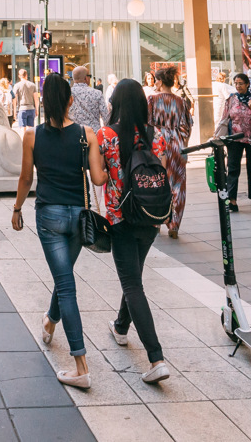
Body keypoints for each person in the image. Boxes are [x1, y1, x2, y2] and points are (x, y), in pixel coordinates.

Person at [11, 73, 107, 389]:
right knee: (64, 278)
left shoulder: (31, 136)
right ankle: (50, 321)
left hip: (49, 217)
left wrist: (16, 209)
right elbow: (98, 179)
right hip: (79, 218)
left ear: (42, 101)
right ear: (70, 100)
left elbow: (26, 180)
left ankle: (80, 366)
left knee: (65, 283)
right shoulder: (87, 134)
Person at [98, 78, 170, 384]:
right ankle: (120, 327)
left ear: (115, 103)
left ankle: (156, 358)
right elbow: (161, 175)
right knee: (134, 277)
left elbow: (100, 178)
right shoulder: (158, 138)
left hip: (120, 219)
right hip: (151, 216)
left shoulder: (106, 136)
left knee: (132, 284)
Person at [148, 66, 193, 238]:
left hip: (158, 145)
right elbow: (187, 126)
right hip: (177, 145)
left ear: (159, 81)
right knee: (178, 185)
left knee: (158, 183)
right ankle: (174, 225)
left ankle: (157, 220)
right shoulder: (181, 101)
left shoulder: (151, 99)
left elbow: (148, 123)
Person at [215, 73, 251, 213]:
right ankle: (232, 200)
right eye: (236, 83)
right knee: (232, 169)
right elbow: (225, 117)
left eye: (241, 83)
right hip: (235, 139)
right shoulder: (231, 99)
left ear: (247, 84)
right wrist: (220, 135)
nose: (238, 86)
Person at [68, 65, 110, 133]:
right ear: (86, 78)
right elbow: (106, 117)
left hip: (74, 133)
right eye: (90, 76)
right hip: (94, 133)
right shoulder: (97, 93)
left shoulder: (67, 94)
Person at [13, 68, 39, 134]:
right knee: (31, 129)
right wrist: (37, 109)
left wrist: (14, 112)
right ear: (26, 75)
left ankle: (23, 143)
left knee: (23, 129)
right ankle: (31, 143)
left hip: (22, 109)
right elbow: (36, 99)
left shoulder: (17, 86)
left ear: (19, 76)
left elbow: (14, 99)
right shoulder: (32, 85)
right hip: (31, 109)